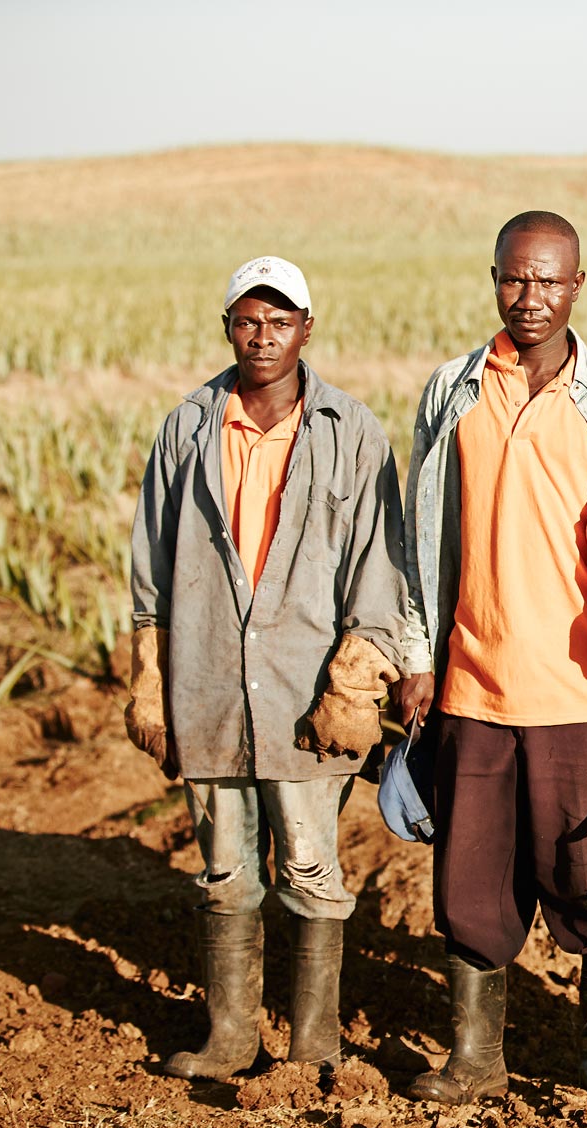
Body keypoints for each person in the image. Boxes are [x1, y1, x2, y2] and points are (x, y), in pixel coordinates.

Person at [394, 211, 587, 1105]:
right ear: (493, 279)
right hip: (475, 682)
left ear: (578, 287)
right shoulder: (451, 391)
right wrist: (418, 651)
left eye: (549, 282)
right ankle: (475, 1056)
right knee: (472, 877)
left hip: (582, 686)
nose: (530, 299)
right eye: (513, 280)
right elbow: (419, 536)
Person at [127, 255, 408, 1080]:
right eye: (248, 321)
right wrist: (149, 678)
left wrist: (357, 682)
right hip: (207, 688)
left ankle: (314, 1045)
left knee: (313, 870)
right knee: (224, 872)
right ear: (228, 330)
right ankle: (231, 1037)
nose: (263, 336)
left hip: (305, 698)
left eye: (279, 322)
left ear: (306, 331)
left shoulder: (350, 432)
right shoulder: (187, 427)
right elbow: (150, 571)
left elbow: (377, 568)